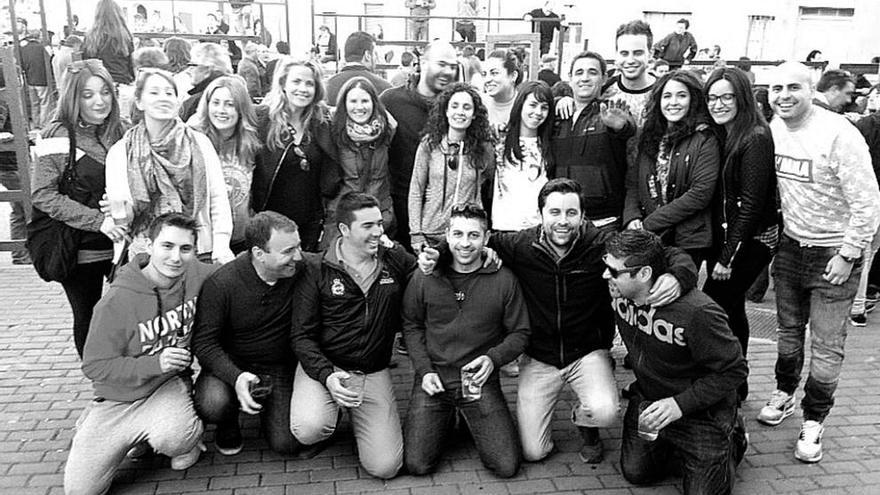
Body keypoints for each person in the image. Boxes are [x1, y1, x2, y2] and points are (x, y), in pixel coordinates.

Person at [419, 177, 698, 464]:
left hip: (587, 352)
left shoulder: (602, 245)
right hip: (540, 357)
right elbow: (469, 239)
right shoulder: (520, 245)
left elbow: (668, 252)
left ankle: (587, 426)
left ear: (582, 215)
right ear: (540, 214)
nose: (562, 221)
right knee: (533, 452)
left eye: (571, 212)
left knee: (604, 410)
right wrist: (438, 253)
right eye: (554, 212)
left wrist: (678, 276)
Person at [756, 62, 880, 463]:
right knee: (788, 334)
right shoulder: (773, 129)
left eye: (793, 87)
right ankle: (784, 393)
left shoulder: (839, 134)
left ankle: (815, 420)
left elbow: (867, 203)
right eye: (776, 88)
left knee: (827, 346)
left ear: (813, 90)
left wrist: (848, 254)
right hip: (791, 249)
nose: (783, 95)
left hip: (834, 254)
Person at [63, 213, 217, 494]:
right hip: (116, 399)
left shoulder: (197, 274)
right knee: (81, 491)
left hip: (166, 386)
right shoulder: (116, 301)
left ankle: (157, 436)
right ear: (149, 244)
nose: (175, 257)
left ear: (195, 251)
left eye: (186, 249)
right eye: (167, 246)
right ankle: (108, 430)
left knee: (178, 442)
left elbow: (239, 271)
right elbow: (94, 367)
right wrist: (154, 363)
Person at [605, 229, 748, 494]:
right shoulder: (620, 287)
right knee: (636, 472)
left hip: (700, 412)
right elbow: (662, 251)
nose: (606, 276)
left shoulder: (698, 312)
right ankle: (675, 447)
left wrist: (679, 405)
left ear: (645, 274)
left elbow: (735, 370)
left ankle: (733, 437)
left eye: (614, 272)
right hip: (649, 399)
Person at [290, 192, 415, 479]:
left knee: (385, 467)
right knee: (308, 428)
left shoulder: (394, 260)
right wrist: (326, 375)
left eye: (379, 223)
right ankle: (327, 414)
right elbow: (302, 337)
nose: (378, 232)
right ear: (344, 230)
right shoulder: (317, 269)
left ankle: (358, 420)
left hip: (371, 370)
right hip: (326, 366)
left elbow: (428, 272)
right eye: (368, 225)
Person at [403, 204, 527, 478]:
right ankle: (446, 420)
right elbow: (411, 326)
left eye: (473, 235)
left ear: (486, 238)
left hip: (477, 382)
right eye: (458, 234)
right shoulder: (424, 276)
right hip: (435, 379)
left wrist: (493, 358)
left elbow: (520, 332)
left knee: (507, 466)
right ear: (446, 235)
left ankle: (468, 418)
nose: (465, 243)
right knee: (418, 465)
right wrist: (424, 370)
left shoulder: (503, 279)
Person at [192, 211, 311, 456]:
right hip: (233, 363)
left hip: (278, 365)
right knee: (213, 403)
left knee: (286, 444)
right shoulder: (222, 284)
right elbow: (204, 344)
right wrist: (235, 376)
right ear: (259, 254)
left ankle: (268, 404)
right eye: (288, 251)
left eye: (298, 247)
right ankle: (227, 423)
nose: (297, 257)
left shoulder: (300, 268)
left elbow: (334, 260)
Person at [28, 60, 125, 357]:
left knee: (123, 315)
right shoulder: (59, 133)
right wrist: (98, 221)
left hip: (123, 245)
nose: (99, 101)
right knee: (89, 315)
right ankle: (100, 382)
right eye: (88, 95)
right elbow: (43, 195)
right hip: (80, 248)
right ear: (73, 97)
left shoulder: (121, 130)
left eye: (105, 92)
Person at [105, 67, 234, 264]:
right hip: (145, 253)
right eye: (154, 92)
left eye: (169, 93)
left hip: (198, 250)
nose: (163, 98)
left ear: (177, 101)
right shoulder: (121, 152)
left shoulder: (199, 143)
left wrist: (221, 246)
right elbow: (124, 213)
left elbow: (218, 199)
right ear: (139, 102)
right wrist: (117, 213)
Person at [701, 67, 777, 402]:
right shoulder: (727, 133)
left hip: (750, 241)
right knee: (731, 309)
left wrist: (727, 257)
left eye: (726, 97)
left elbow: (751, 205)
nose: (718, 104)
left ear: (742, 97)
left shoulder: (755, 137)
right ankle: (736, 384)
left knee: (713, 306)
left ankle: (728, 379)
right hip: (735, 238)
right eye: (712, 97)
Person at [625, 70, 721, 270]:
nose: (673, 102)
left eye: (681, 95)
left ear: (693, 100)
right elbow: (634, 183)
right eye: (667, 96)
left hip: (686, 240)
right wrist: (632, 217)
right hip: (649, 238)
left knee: (675, 296)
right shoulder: (649, 136)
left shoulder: (704, 138)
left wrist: (648, 224)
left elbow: (700, 194)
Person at [252, 57, 339, 252]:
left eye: (310, 83)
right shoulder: (261, 119)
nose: (303, 88)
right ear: (283, 83)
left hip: (310, 223)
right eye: (296, 81)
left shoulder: (323, 122)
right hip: (269, 224)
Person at [381, 41, 459, 247]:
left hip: (446, 213)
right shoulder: (391, 101)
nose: (448, 71)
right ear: (422, 62)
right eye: (441, 64)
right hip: (400, 206)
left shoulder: (458, 107)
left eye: (453, 66)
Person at [552, 51, 635, 231]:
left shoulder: (609, 113)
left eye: (592, 72)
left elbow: (627, 129)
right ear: (570, 78)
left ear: (604, 78)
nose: (585, 78)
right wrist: (558, 100)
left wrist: (621, 126)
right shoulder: (556, 115)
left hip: (604, 221)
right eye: (579, 72)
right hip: (562, 220)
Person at [408, 83, 494, 251]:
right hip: (431, 234)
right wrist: (415, 233)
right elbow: (416, 189)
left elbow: (489, 178)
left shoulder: (483, 148)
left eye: (467, 107)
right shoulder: (429, 145)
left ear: (475, 114)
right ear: (446, 111)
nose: (460, 112)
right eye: (454, 106)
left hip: (467, 235)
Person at [187, 75, 261, 254]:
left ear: (241, 108)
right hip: (202, 241)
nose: (221, 110)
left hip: (241, 238)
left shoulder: (251, 141)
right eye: (216, 103)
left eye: (230, 104)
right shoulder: (192, 139)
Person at [328, 76, 397, 242]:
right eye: (353, 101)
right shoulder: (334, 131)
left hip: (379, 212)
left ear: (374, 102)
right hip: (344, 215)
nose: (359, 107)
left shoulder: (387, 130)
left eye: (365, 100)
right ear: (344, 103)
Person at [491, 81, 553, 231]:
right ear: (520, 105)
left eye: (544, 107)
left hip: (538, 229)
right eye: (533, 105)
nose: (538, 112)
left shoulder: (550, 144)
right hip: (504, 229)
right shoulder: (499, 140)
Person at [603, 20, 657, 129]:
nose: (630, 60)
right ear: (616, 55)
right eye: (624, 53)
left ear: (650, 54)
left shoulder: (665, 90)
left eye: (638, 53)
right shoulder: (604, 88)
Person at [325, 31, 392, 105]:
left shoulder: (326, 86)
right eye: (375, 54)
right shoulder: (385, 88)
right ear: (367, 55)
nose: (376, 59)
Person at [82, 0, 135, 85]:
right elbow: (131, 64)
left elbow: (86, 62)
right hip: (122, 82)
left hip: (99, 83)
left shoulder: (90, 37)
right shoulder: (125, 35)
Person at [180, 43, 234, 122]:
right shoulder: (238, 93)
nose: (188, 70)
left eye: (192, 65)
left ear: (207, 70)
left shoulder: (196, 102)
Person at [18, 25, 55, 128]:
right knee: (45, 103)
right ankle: (43, 124)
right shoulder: (42, 48)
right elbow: (50, 61)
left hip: (30, 80)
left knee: (34, 103)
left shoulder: (24, 49)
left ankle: (35, 123)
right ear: (38, 36)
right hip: (42, 80)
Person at [481, 49, 522, 129]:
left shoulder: (525, 105)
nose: (487, 79)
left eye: (494, 73)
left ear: (513, 76)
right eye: (484, 74)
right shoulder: (479, 105)